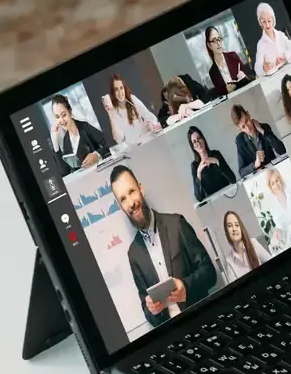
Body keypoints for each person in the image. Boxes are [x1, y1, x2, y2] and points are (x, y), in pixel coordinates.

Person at [110, 165, 216, 328]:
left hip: (203, 321)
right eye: (123, 199)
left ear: (141, 189)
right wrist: (152, 310)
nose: (130, 203)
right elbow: (147, 311)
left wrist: (186, 287)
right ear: (120, 206)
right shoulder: (133, 254)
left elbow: (210, 273)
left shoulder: (177, 224)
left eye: (131, 191)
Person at [49, 94, 108, 177]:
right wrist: (55, 143)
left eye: (64, 115)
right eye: (57, 117)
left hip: (101, 174)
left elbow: (109, 142)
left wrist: (96, 155)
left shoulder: (85, 127)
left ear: (70, 112)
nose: (61, 120)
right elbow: (65, 172)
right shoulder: (66, 141)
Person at [101, 74, 161, 145]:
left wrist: (150, 124)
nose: (120, 93)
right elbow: (119, 139)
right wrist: (110, 114)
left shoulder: (133, 100)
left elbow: (149, 116)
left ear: (124, 88)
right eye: (116, 89)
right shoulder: (114, 111)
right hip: (133, 147)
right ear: (113, 92)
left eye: (121, 88)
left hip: (146, 141)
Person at [230, 103, 286, 178]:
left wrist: (262, 131)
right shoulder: (240, 141)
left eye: (247, 121)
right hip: (259, 177)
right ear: (239, 129)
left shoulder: (265, 127)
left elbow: (282, 151)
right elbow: (242, 172)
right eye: (243, 127)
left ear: (248, 115)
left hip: (273, 172)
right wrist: (255, 164)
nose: (248, 128)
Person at [218, 210, 271, 283]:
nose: (234, 229)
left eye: (237, 225)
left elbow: (271, 263)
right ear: (226, 231)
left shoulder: (253, 243)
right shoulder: (229, 261)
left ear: (241, 228)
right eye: (230, 226)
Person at [261, 166, 291, 251]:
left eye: (277, 180)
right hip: (290, 244)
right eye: (272, 183)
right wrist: (277, 231)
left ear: (280, 180)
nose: (276, 185)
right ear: (270, 187)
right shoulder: (273, 208)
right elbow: (279, 226)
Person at [186, 126, 236, 202]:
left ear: (203, 139)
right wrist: (198, 172)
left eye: (199, 138)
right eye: (194, 142)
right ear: (193, 147)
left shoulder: (216, 154)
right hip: (214, 203)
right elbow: (199, 198)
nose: (198, 143)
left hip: (229, 196)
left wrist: (217, 162)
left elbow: (233, 179)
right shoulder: (194, 166)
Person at [253, 2, 291, 76]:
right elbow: (257, 69)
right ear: (260, 23)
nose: (267, 24)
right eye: (264, 22)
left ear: (273, 20)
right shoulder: (260, 44)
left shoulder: (281, 35)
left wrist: (285, 56)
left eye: (269, 21)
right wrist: (264, 67)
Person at [203, 25, 252, 97]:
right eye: (214, 40)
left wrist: (244, 76)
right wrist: (228, 91)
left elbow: (249, 78)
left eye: (219, 39)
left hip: (247, 95)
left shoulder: (233, 56)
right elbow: (221, 96)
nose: (218, 43)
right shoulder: (213, 72)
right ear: (209, 45)